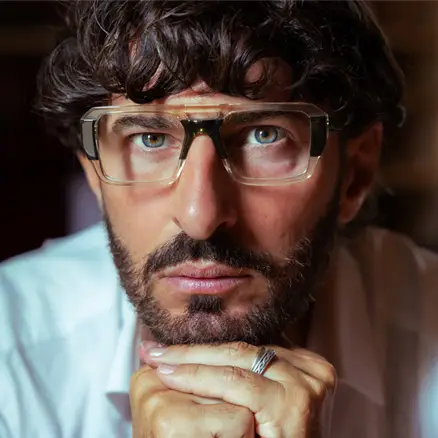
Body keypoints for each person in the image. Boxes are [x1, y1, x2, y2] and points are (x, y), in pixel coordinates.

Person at [1, 0, 437, 437]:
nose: (200, 217)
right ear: (95, 175)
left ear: (354, 175)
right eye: (150, 138)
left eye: (264, 135)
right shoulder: (12, 352)